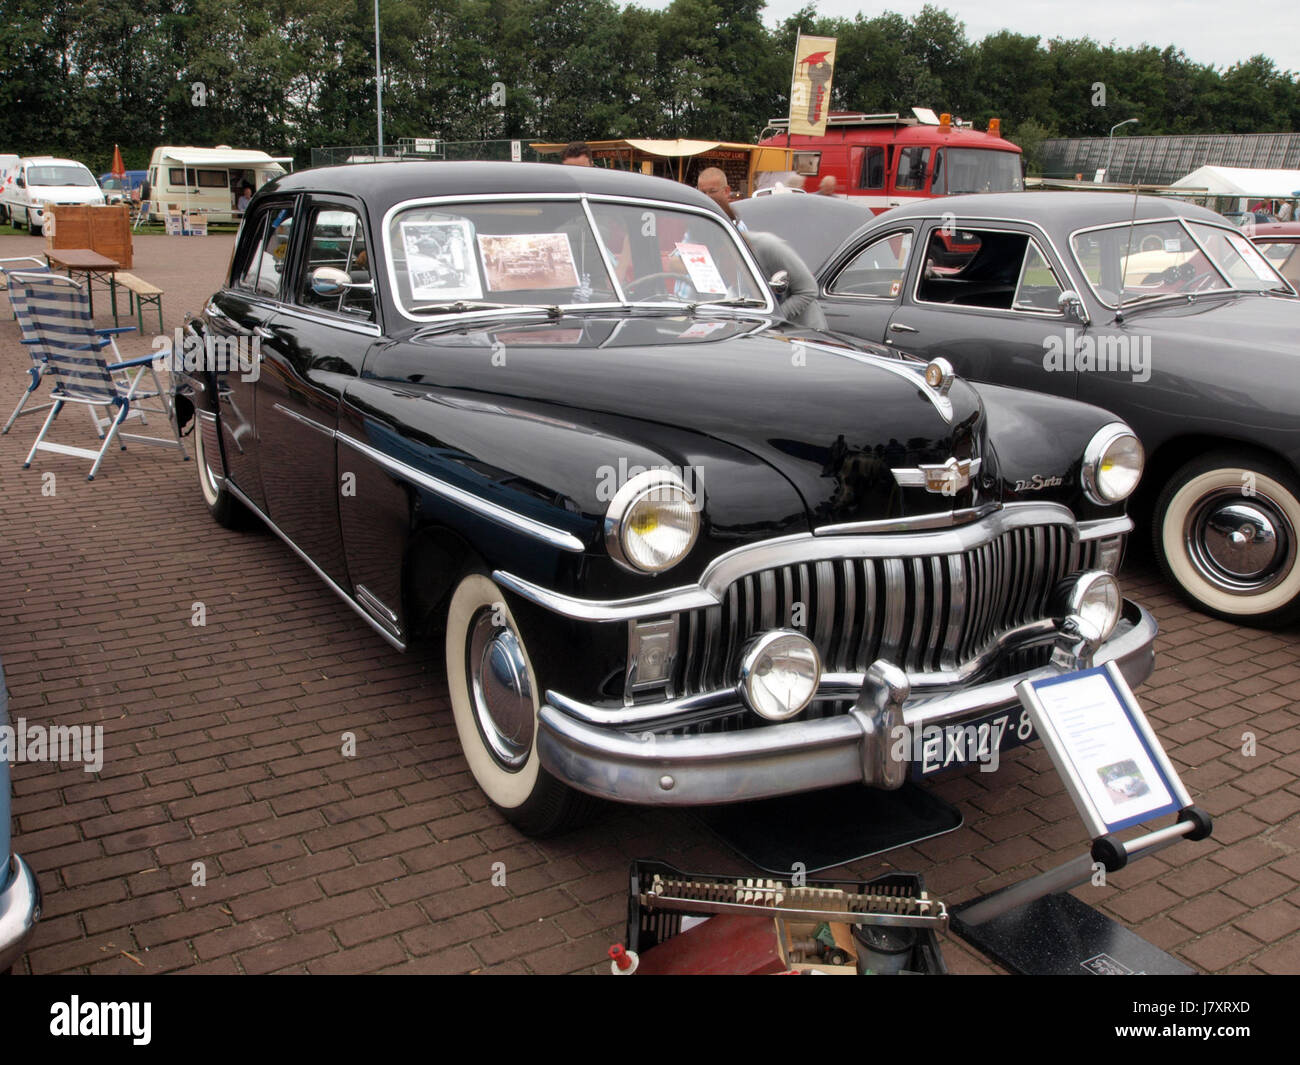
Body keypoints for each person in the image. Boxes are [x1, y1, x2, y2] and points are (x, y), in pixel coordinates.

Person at [695, 167, 825, 328]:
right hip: (765, 333)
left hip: (802, 332)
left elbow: (808, 290)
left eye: (712, 191)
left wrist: (774, 318)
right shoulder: (718, 254)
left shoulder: (767, 245)